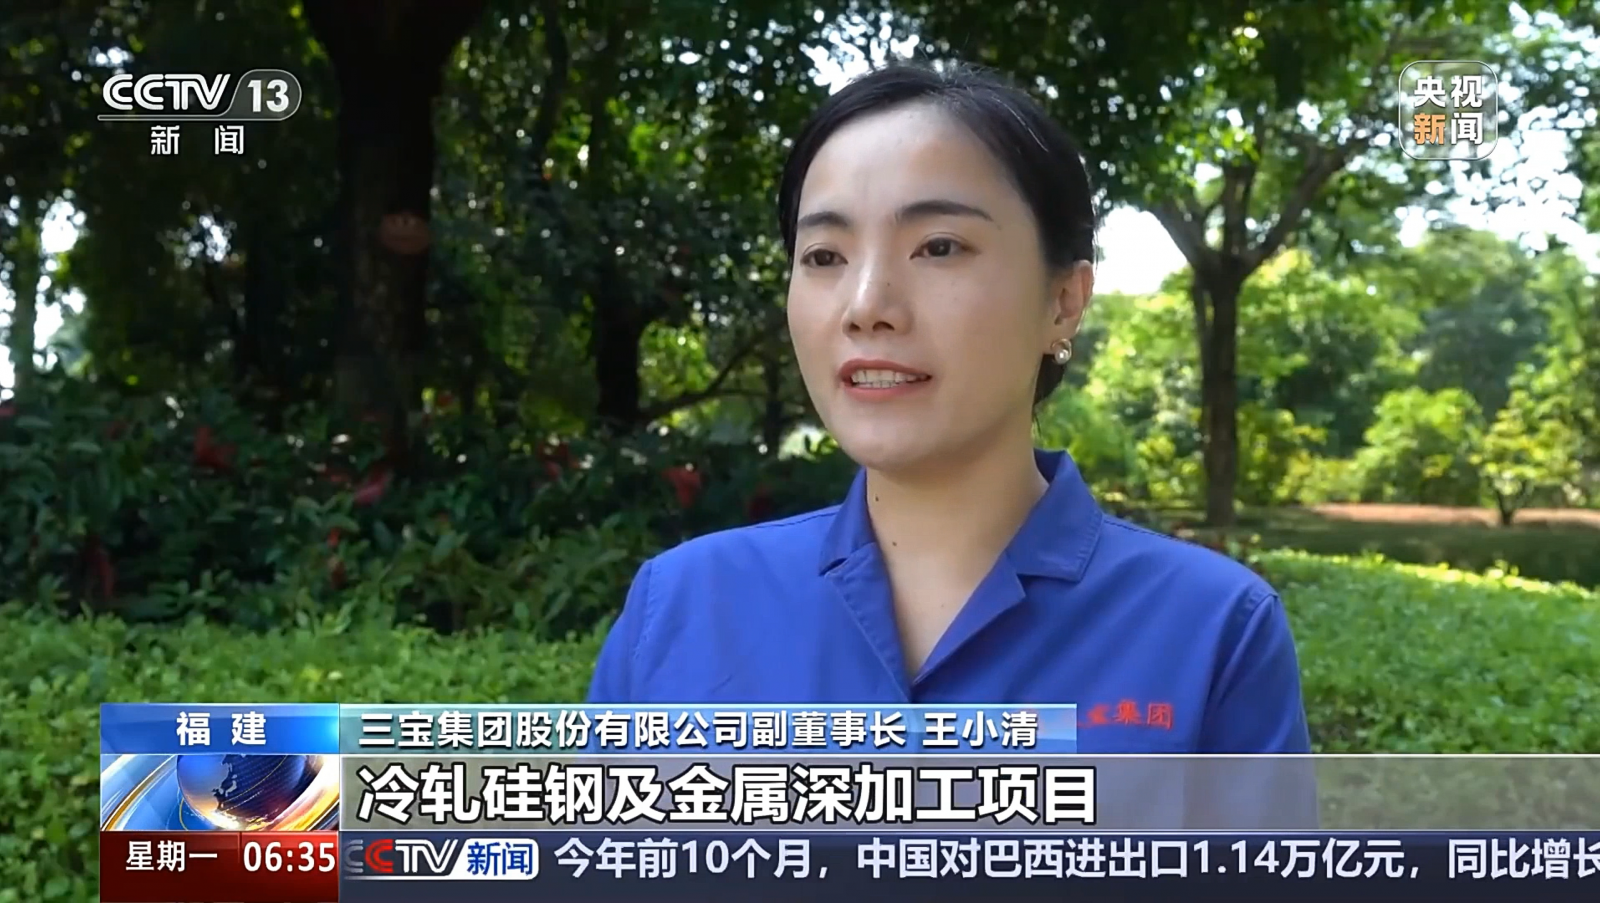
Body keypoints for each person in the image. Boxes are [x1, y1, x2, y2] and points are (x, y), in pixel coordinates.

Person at [587, 62, 1313, 773]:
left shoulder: (1212, 632)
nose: (866, 306)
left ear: (1064, 300)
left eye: (938, 247)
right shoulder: (681, 607)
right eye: (825, 255)